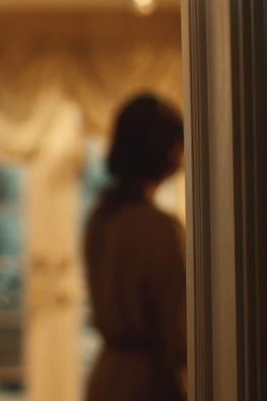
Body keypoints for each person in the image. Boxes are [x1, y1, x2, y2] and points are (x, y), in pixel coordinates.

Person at [83, 94, 186, 401]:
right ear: (166, 151)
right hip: (146, 383)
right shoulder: (158, 227)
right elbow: (177, 327)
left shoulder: (101, 217)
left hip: (105, 378)